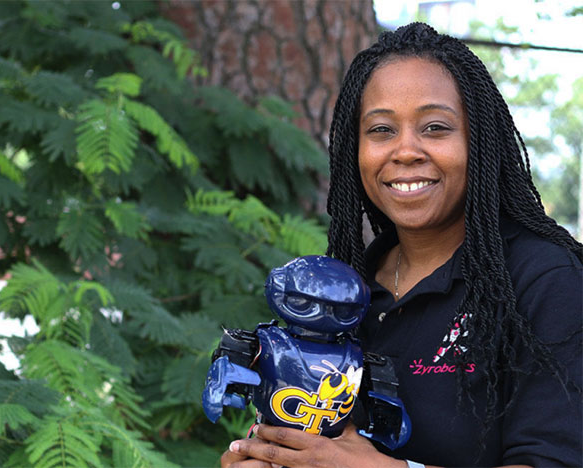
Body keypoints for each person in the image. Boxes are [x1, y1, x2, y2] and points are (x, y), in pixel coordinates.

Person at [221, 22, 583, 468]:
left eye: (434, 127)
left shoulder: (544, 278)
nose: (405, 151)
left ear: (481, 143)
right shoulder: (345, 295)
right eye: (381, 130)